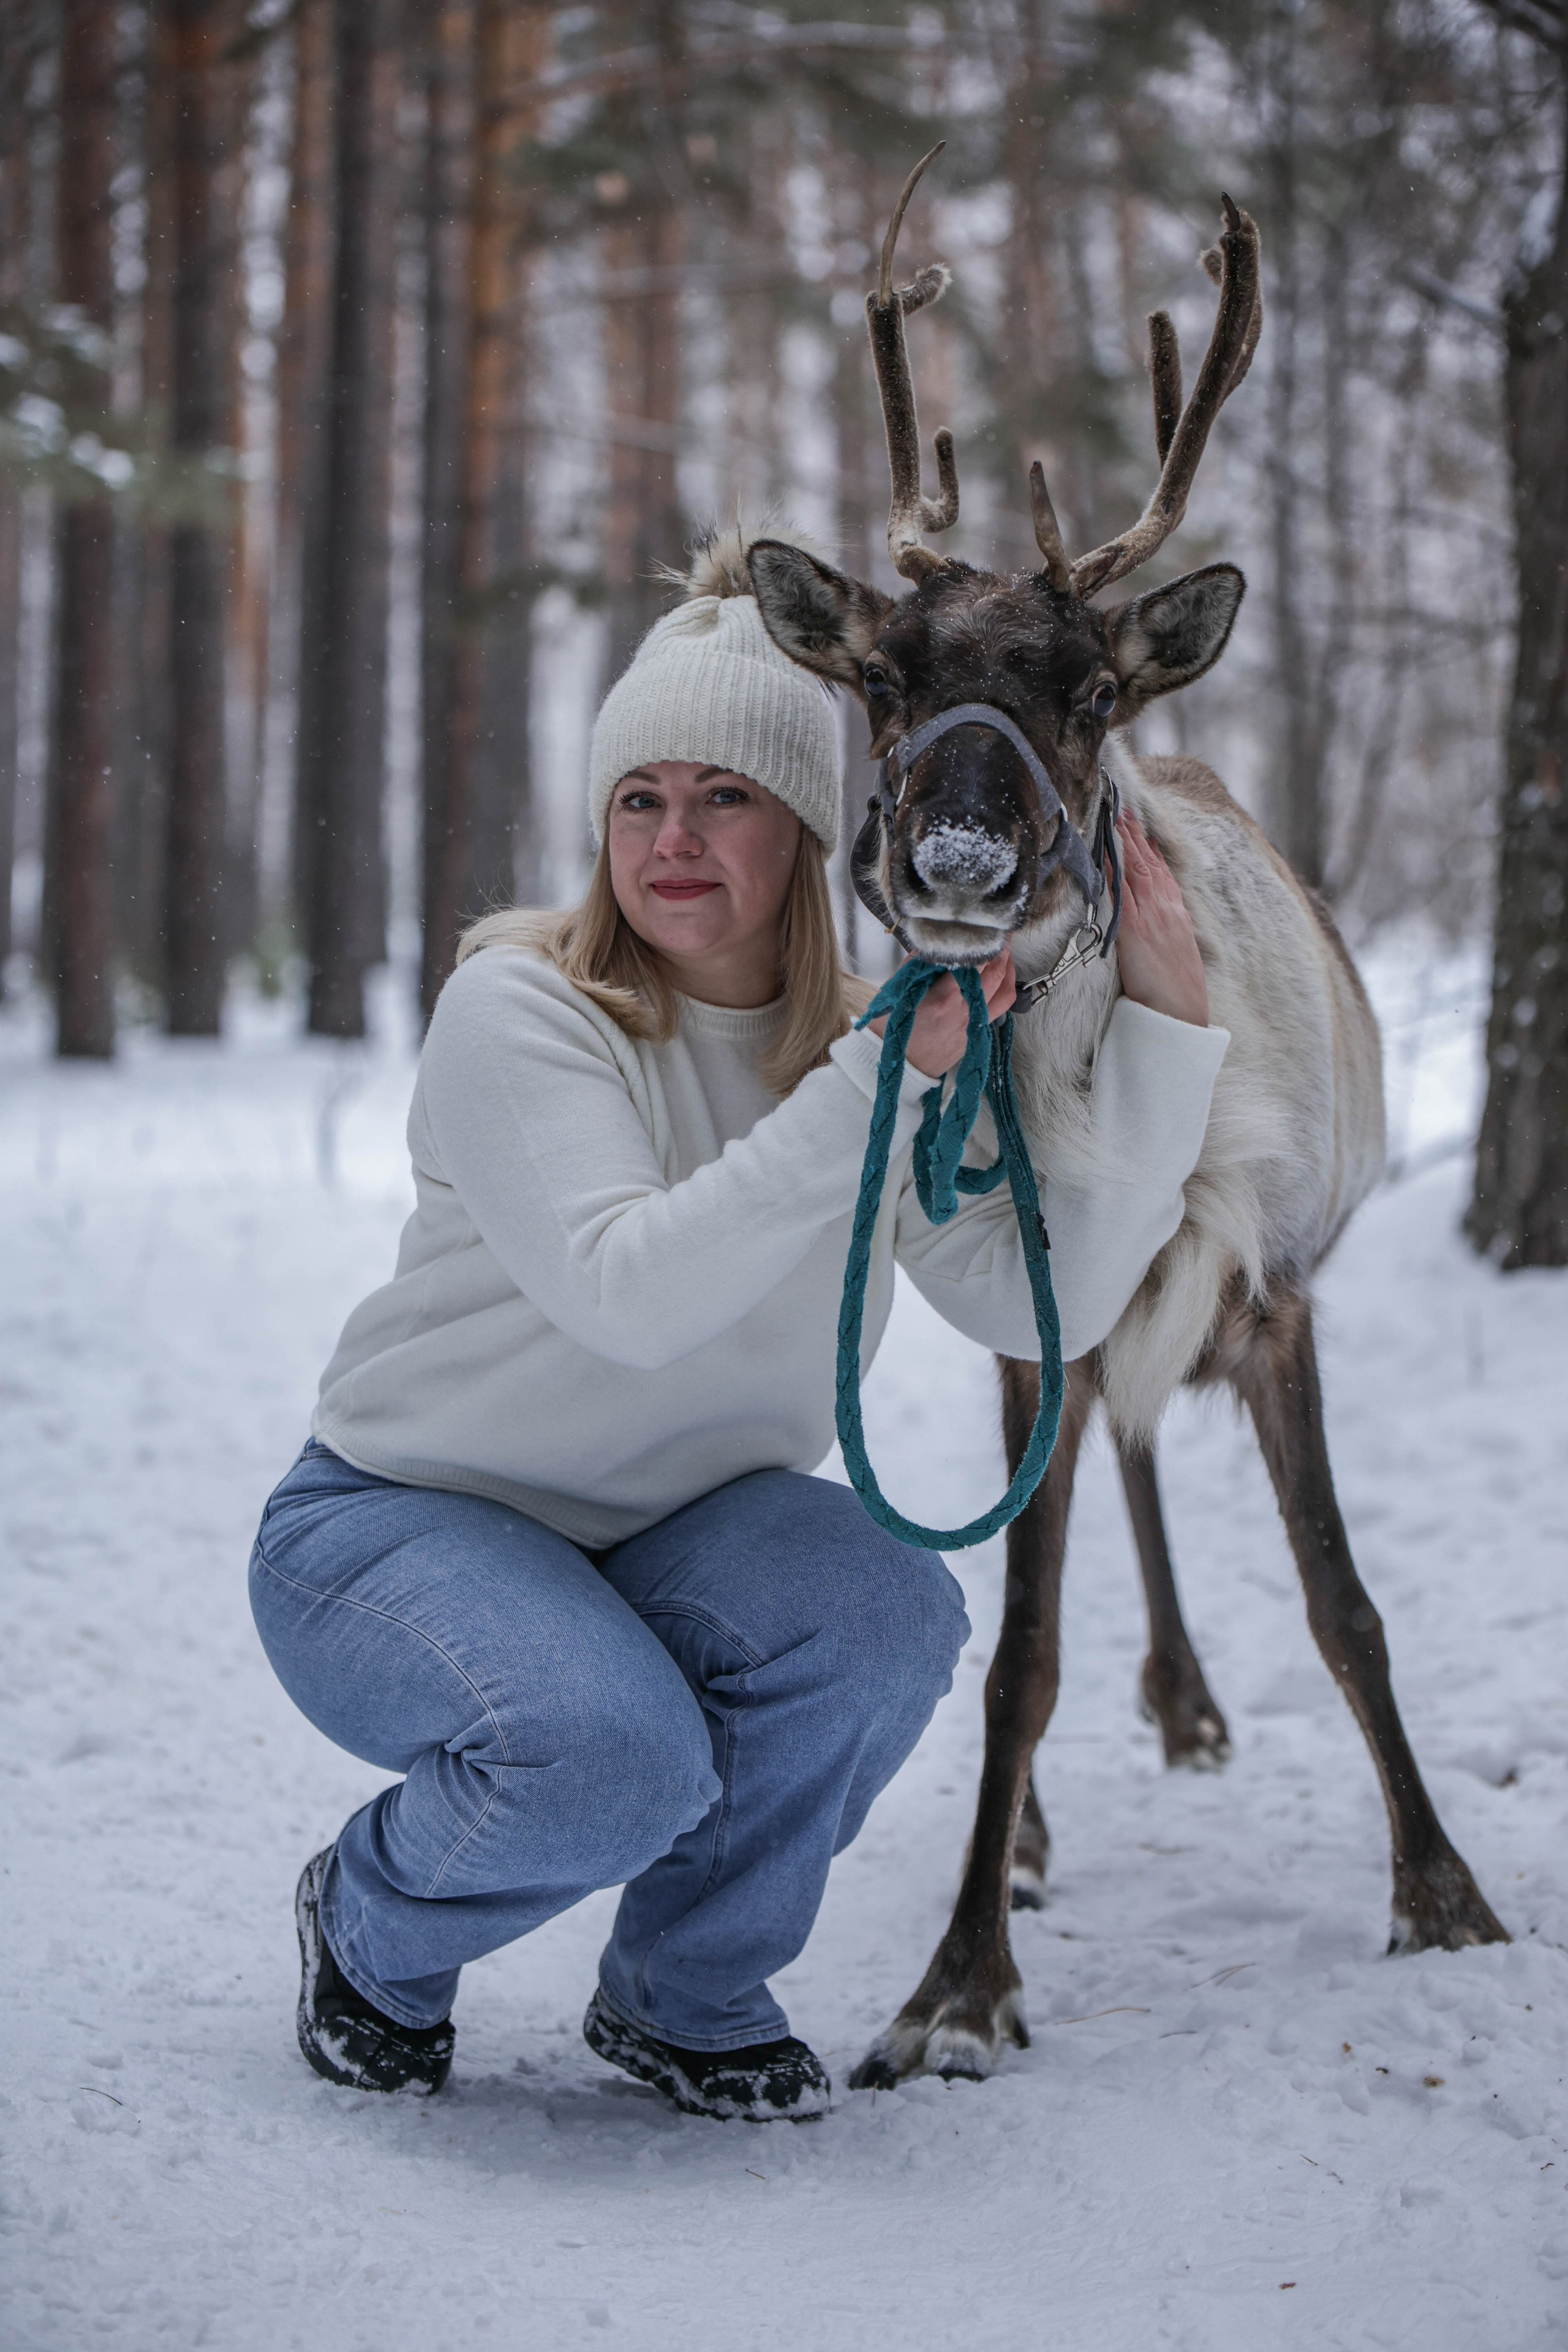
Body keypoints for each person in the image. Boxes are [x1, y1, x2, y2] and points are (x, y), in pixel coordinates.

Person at [249, 531, 1227, 2120]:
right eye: (641, 799)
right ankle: (372, 1926)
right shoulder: (523, 1012)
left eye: (726, 799)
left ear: (814, 832)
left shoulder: (863, 1045)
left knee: (883, 1614)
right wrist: (875, 1083)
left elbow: (1017, 1295)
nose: (675, 837)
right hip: (396, 1534)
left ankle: (685, 1989)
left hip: (659, 1542)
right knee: (617, 1756)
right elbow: (630, 1293)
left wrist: (1170, 1042)